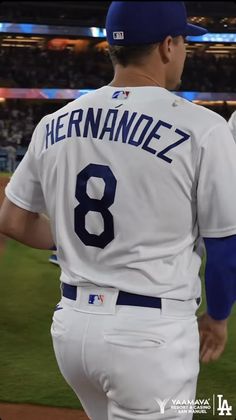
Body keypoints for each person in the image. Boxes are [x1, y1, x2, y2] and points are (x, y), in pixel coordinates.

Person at [0, 2, 236, 419]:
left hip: (71, 332)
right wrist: (217, 318)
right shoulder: (204, 128)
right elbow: (224, 248)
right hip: (149, 338)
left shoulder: (54, 122)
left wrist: (75, 235)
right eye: (183, 42)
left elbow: (12, 221)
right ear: (167, 46)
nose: (184, 52)